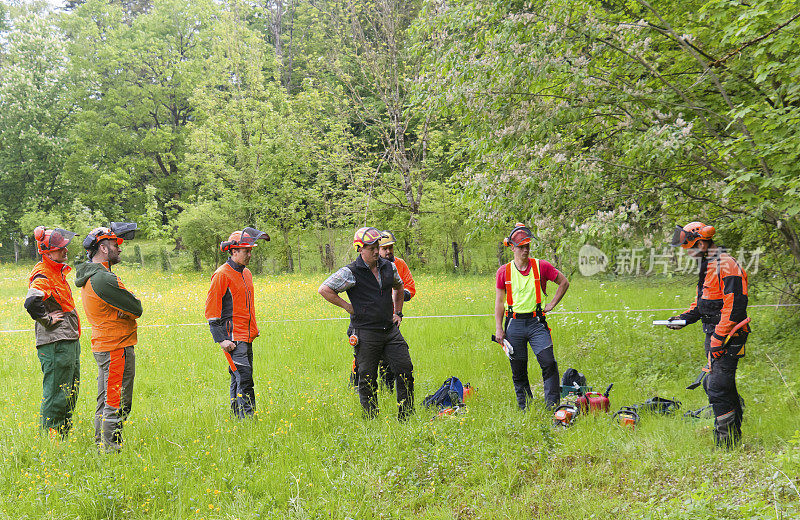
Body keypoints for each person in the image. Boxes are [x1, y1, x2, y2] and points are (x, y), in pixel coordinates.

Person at [667, 222, 750, 449]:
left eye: (689, 247)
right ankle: (733, 436)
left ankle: (726, 444)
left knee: (717, 386)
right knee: (721, 385)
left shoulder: (727, 265)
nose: (687, 252)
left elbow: (735, 308)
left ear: (702, 243)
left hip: (728, 335)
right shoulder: (709, 264)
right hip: (715, 333)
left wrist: (718, 340)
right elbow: (704, 301)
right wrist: (683, 318)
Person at [318, 227, 414, 420]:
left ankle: (407, 417)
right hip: (365, 332)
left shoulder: (389, 267)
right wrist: (348, 307)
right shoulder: (350, 272)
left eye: (377, 246)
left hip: (390, 329)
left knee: (405, 369)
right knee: (367, 378)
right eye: (371, 248)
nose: (377, 251)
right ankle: (371, 421)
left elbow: (399, 285)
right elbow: (324, 289)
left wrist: (398, 312)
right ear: (359, 249)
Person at [75, 223, 141, 451]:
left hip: (106, 345)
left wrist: (126, 309)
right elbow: (136, 307)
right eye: (115, 245)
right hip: (115, 347)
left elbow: (129, 307)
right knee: (116, 401)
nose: (119, 249)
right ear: (103, 248)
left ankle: (101, 444)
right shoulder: (103, 278)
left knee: (105, 400)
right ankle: (111, 450)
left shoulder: (94, 274)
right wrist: (127, 309)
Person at [494, 223, 570, 410]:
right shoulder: (503, 271)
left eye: (527, 246)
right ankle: (525, 407)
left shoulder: (541, 266)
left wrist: (551, 304)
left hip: (537, 323)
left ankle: (552, 406)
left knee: (548, 362)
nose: (525, 250)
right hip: (514, 324)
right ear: (512, 247)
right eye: (521, 247)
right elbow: (499, 302)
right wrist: (499, 328)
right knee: (518, 369)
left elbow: (564, 282)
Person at [204, 227, 269, 418]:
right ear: (233, 251)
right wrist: (221, 339)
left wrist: (253, 329)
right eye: (245, 251)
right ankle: (249, 420)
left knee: (237, 377)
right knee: (245, 379)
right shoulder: (222, 274)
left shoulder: (246, 273)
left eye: (250, 250)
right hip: (233, 338)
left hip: (247, 336)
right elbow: (211, 311)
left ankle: (236, 417)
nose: (249, 254)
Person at [24, 226, 81, 437]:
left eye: (64, 247)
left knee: (70, 391)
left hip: (67, 340)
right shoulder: (44, 274)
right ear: (46, 253)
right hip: (56, 343)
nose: (65, 251)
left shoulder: (56, 271)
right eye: (60, 249)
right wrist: (47, 320)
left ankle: (62, 435)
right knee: (58, 392)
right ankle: (51, 438)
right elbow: (31, 301)